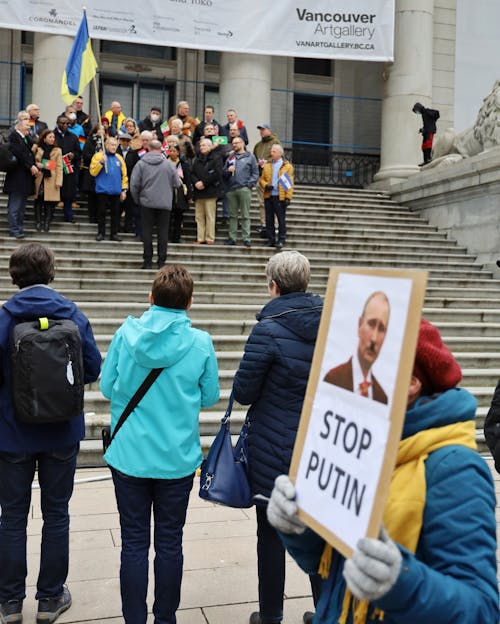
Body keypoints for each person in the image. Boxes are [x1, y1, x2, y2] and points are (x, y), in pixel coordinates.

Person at [267, 317, 499, 624]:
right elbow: (327, 564)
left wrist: (401, 583)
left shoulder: (455, 468)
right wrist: (298, 526)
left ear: (412, 382)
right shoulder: (361, 445)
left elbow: (482, 610)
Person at [100, 264, 219, 624]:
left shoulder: (126, 333)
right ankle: (165, 618)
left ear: (151, 298)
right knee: (170, 543)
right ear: (190, 303)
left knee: (133, 543)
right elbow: (210, 397)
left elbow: (106, 388)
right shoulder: (200, 342)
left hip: (129, 456)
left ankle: (133, 619)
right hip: (177, 458)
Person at [0, 243, 101, 624]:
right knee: (56, 514)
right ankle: (49, 598)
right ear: (51, 273)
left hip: (12, 434)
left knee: (11, 517)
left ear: (14, 276)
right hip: (61, 433)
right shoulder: (71, 313)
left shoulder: (4, 317)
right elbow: (93, 367)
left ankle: (10, 602)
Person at [233, 251, 324, 624]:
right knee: (319, 534)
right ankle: (326, 611)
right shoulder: (334, 324)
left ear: (273, 285)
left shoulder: (267, 328)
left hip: (273, 447)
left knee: (269, 536)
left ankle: (270, 615)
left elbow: (244, 392)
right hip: (320, 445)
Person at [323, 291, 390, 404]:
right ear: (360, 325)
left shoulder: (381, 397)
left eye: (381, 329)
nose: (374, 338)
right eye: (371, 324)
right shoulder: (332, 379)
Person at [129, 139, 180, 269]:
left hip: (146, 202)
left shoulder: (141, 164)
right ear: (161, 149)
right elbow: (177, 183)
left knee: (147, 232)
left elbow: (134, 184)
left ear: (149, 149)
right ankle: (161, 261)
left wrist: (137, 199)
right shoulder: (169, 165)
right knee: (163, 233)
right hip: (165, 203)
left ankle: (147, 261)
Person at [3, 116, 41, 238]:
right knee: (15, 206)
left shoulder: (25, 138)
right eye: (26, 125)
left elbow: (28, 154)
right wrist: (31, 166)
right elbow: (20, 153)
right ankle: (14, 229)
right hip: (16, 179)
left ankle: (18, 228)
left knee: (21, 207)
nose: (29, 128)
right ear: (19, 126)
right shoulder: (15, 136)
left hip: (24, 179)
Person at [89, 136, 128, 242]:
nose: (114, 147)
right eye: (112, 144)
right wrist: (101, 163)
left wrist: (124, 190)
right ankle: (101, 233)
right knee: (101, 213)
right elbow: (92, 172)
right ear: (106, 145)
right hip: (102, 190)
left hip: (116, 191)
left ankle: (114, 234)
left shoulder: (119, 158)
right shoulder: (98, 156)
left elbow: (124, 175)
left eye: (115, 145)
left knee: (116, 214)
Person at [223, 136, 259, 247]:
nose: (234, 145)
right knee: (232, 215)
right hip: (231, 189)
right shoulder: (230, 157)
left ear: (243, 143)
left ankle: (246, 238)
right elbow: (223, 172)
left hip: (244, 189)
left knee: (245, 214)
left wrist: (249, 184)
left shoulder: (250, 157)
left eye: (237, 143)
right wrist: (228, 171)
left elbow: (255, 173)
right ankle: (232, 238)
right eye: (233, 143)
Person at [259, 144, 293, 249]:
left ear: (280, 153)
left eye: (274, 151)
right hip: (269, 195)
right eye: (271, 151)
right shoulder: (268, 165)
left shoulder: (286, 166)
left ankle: (281, 239)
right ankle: (271, 239)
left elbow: (289, 183)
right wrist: (266, 185)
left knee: (281, 219)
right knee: (269, 219)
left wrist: (288, 197)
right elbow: (261, 179)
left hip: (280, 196)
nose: (271, 153)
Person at [191, 138, 222, 244]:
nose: (201, 147)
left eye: (204, 145)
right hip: (199, 192)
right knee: (199, 217)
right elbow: (192, 173)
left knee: (210, 216)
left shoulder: (216, 158)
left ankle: (210, 238)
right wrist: (196, 182)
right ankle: (200, 238)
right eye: (201, 145)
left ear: (210, 146)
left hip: (210, 191)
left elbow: (216, 173)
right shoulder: (197, 159)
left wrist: (204, 183)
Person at [32, 129, 63, 232]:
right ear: (44, 139)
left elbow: (58, 166)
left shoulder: (57, 150)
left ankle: (47, 223)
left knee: (49, 203)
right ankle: (38, 222)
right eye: (50, 137)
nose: (52, 139)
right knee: (38, 201)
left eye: (53, 137)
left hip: (51, 179)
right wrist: (34, 148)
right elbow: (32, 160)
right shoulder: (39, 149)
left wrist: (59, 181)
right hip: (39, 178)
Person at [253, 124, 281, 235]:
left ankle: (275, 225)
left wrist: (267, 162)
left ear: (269, 130)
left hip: (272, 177)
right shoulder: (258, 145)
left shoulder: (275, 142)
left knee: (273, 202)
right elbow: (254, 157)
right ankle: (264, 224)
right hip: (261, 177)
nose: (261, 132)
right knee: (261, 202)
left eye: (263, 130)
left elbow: (278, 157)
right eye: (260, 130)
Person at [54, 115, 81, 223]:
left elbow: (79, 152)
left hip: (68, 168)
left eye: (66, 123)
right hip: (54, 168)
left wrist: (73, 155)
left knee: (68, 193)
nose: (65, 125)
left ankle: (68, 215)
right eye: (62, 123)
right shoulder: (52, 135)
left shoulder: (73, 137)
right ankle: (49, 216)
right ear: (57, 123)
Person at [167, 143, 193, 244]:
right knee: (167, 217)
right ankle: (167, 236)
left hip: (180, 193)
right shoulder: (165, 163)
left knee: (178, 217)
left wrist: (189, 196)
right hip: (167, 192)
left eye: (174, 151)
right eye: (170, 151)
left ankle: (176, 237)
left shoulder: (183, 164)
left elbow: (187, 180)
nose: (172, 153)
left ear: (178, 152)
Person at [117, 132, 139, 234]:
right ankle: (116, 227)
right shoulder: (115, 151)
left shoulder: (134, 153)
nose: (125, 142)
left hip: (129, 183)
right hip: (116, 183)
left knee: (128, 207)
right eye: (123, 140)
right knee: (117, 207)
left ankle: (128, 227)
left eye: (127, 141)